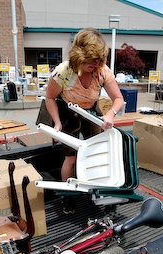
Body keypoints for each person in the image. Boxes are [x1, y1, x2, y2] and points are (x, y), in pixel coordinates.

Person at [44, 28, 125, 212]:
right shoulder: (63, 71)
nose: (96, 64)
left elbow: (118, 99)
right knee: (71, 158)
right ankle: (67, 196)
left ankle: (101, 194)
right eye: (91, 60)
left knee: (98, 154)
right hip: (67, 111)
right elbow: (49, 98)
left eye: (99, 60)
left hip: (91, 111)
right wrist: (56, 123)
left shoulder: (102, 71)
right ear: (79, 55)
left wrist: (110, 114)